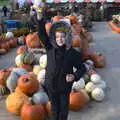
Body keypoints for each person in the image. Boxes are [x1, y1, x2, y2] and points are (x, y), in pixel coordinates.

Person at [33, 7, 88, 120]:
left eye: (62, 37)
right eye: (57, 37)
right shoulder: (50, 48)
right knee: (54, 109)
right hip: (51, 85)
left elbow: (82, 68)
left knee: (63, 111)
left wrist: (74, 75)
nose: (60, 39)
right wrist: (39, 19)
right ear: (54, 37)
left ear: (67, 37)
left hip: (64, 87)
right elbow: (42, 34)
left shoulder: (72, 53)